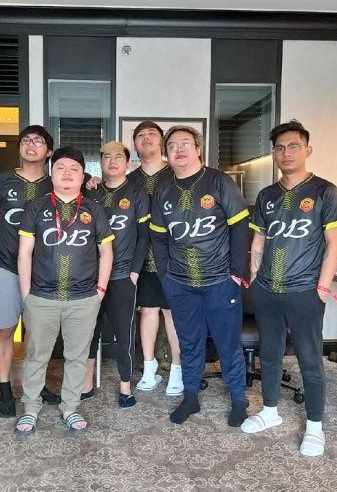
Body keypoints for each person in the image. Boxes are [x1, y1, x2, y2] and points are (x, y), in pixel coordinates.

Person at [240, 120, 337, 457]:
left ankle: (315, 426)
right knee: (270, 353)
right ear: (273, 153)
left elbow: (335, 243)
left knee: (309, 358)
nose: (286, 153)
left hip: (305, 291)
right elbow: (259, 238)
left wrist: (322, 288)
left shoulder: (325, 192)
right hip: (267, 290)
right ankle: (270, 411)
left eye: (293, 146)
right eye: (279, 148)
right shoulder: (267, 195)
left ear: (307, 150)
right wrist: (255, 278)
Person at [150, 125, 250, 426]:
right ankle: (190, 397)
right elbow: (158, 237)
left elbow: (240, 227)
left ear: (198, 149)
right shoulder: (163, 189)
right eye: (172, 146)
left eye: (185, 143)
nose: (179, 149)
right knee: (189, 343)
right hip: (180, 284)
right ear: (167, 154)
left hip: (220, 281)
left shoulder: (218, 181)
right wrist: (166, 275)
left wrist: (236, 274)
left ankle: (239, 400)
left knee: (227, 343)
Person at [15, 146, 114, 435]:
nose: (67, 174)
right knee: (36, 355)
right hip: (41, 297)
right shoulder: (36, 207)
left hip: (83, 298)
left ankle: (70, 407)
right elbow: (24, 252)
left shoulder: (94, 209)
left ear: (83, 176)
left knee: (77, 357)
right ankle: (31, 409)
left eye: (74, 169)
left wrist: (100, 291)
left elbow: (106, 252)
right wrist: (26, 294)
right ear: (52, 173)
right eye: (61, 168)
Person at [0, 125, 62, 417]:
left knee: (37, 332)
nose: (31, 145)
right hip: (7, 267)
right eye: (26, 140)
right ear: (19, 147)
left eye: (38, 141)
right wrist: (9, 250)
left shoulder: (55, 183)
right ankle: (5, 390)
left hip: (43, 271)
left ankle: (34, 384)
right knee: (5, 329)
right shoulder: (1, 182)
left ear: (49, 151)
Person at [81, 141, 150, 407]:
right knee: (89, 330)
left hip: (123, 275)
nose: (112, 161)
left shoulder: (136, 193)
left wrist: (135, 272)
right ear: (100, 162)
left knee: (124, 332)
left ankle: (125, 385)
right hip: (91, 276)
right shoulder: (91, 192)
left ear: (127, 162)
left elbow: (144, 236)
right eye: (107, 157)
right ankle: (86, 383)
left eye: (118, 157)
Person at [127, 121, 183, 396]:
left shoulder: (176, 173)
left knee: (173, 313)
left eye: (151, 134)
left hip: (174, 257)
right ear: (135, 145)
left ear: (161, 142)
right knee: (148, 311)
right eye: (140, 135)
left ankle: (177, 370)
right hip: (142, 257)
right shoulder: (130, 179)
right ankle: (149, 368)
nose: (146, 138)